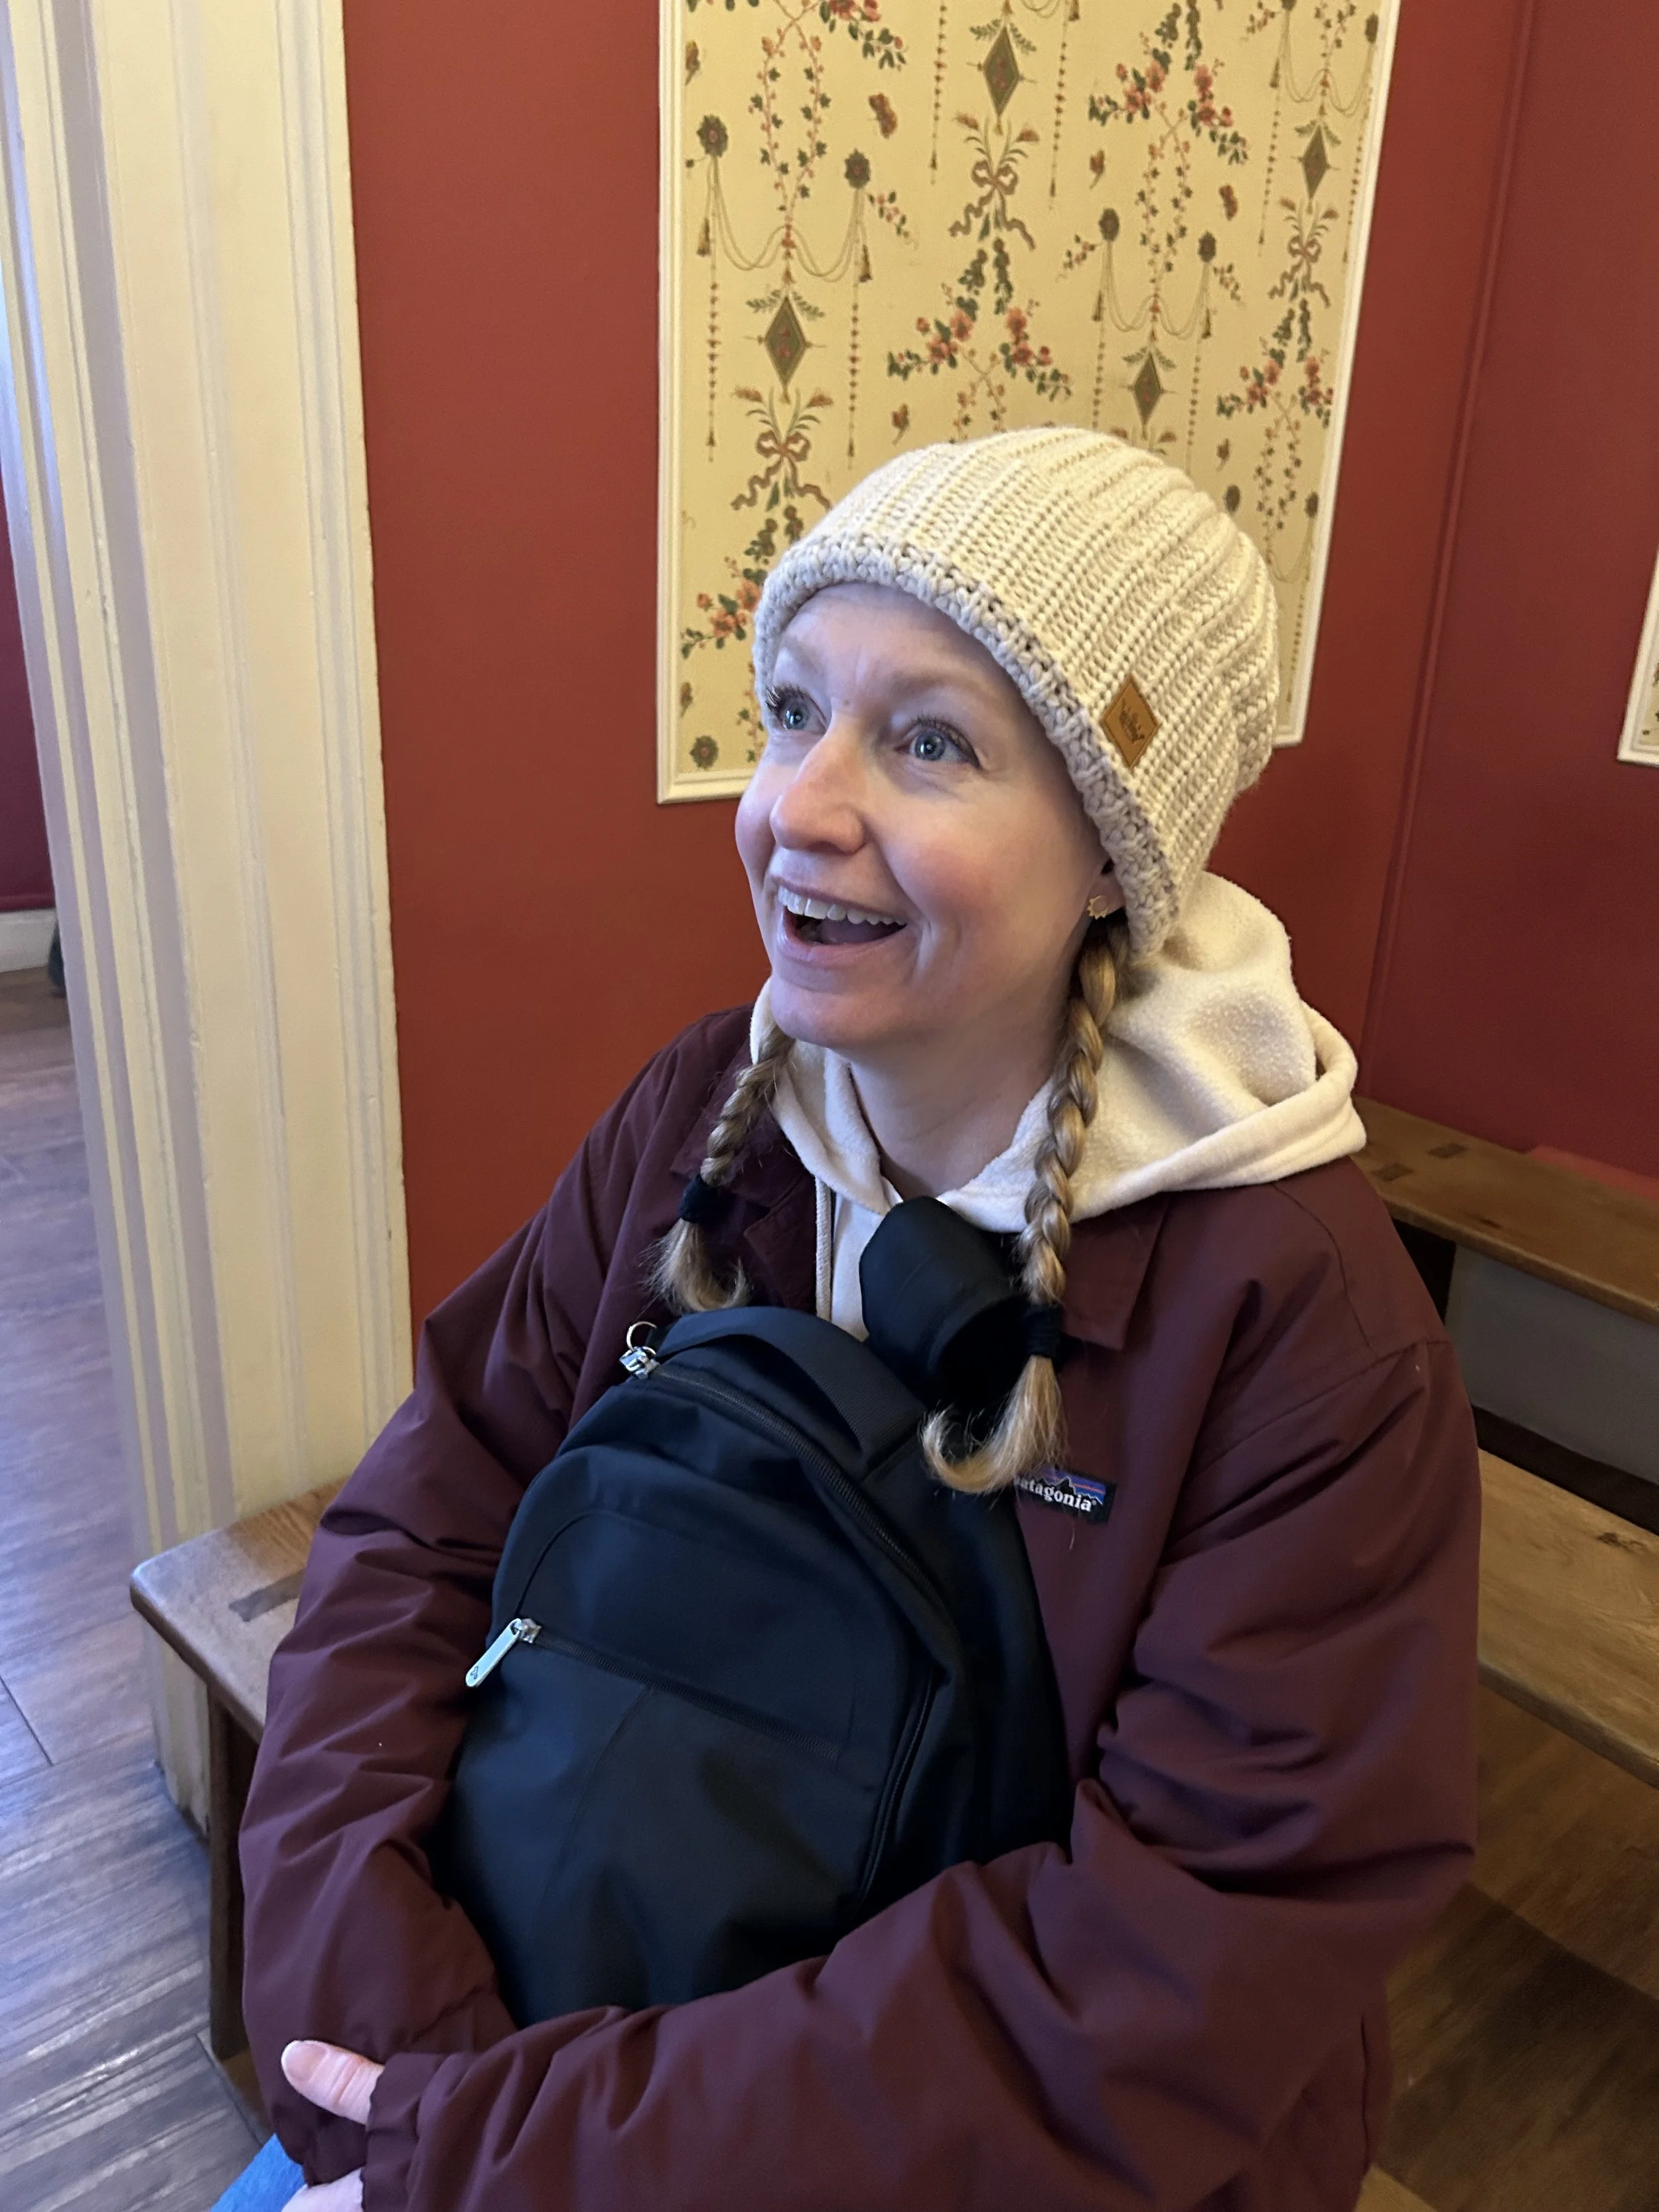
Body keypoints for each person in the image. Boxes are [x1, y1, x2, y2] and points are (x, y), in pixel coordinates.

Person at [222, 427, 1479, 2212]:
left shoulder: (1299, 1335)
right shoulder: (700, 1117)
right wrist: (390, 2036)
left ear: (1117, 854)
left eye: (928, 740)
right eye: (795, 708)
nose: (793, 807)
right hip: (530, 2065)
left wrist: (517, 2148)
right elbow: (427, 1515)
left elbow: (1162, 1977)